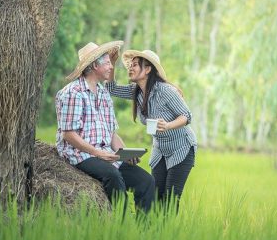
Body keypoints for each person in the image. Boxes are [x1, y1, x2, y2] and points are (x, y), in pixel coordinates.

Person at [55, 41, 155, 213]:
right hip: (80, 154)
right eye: (108, 62)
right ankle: (120, 225)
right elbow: (69, 135)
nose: (111, 67)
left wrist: (124, 153)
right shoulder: (73, 93)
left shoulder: (103, 93)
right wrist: (97, 153)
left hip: (104, 154)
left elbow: (111, 134)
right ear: (95, 65)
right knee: (113, 176)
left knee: (146, 181)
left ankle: (142, 232)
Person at [105, 49, 197, 212]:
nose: (130, 68)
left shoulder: (165, 91)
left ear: (147, 69)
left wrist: (168, 125)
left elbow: (186, 116)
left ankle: (166, 234)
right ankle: (152, 234)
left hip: (181, 148)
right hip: (160, 149)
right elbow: (111, 89)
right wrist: (112, 63)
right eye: (130, 65)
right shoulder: (136, 92)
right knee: (154, 195)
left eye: (135, 65)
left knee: (170, 199)